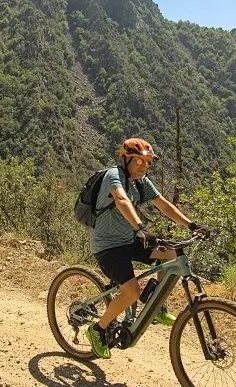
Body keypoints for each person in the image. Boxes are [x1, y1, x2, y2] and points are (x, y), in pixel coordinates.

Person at [85, 137, 209, 359]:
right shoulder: (114, 175)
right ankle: (98, 329)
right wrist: (141, 228)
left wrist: (191, 225)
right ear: (125, 159)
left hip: (130, 240)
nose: (144, 166)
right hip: (108, 246)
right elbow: (121, 200)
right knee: (131, 292)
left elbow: (164, 205)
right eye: (139, 160)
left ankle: (156, 305)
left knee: (171, 253)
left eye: (148, 162)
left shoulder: (141, 182)